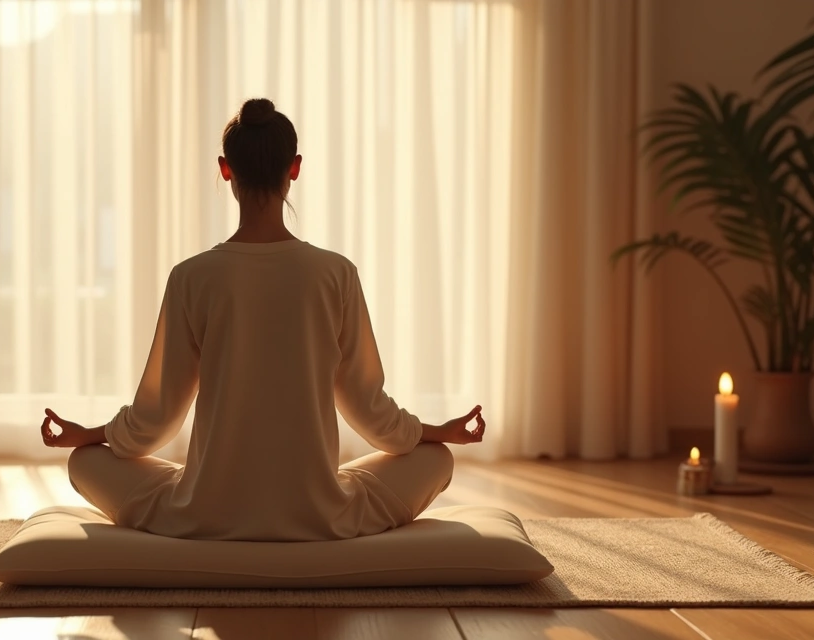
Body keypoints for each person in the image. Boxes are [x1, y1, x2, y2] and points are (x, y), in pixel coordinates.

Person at [40, 98, 486, 542]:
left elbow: (153, 421)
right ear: (294, 168)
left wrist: (89, 435)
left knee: (84, 462)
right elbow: (369, 411)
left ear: (225, 169)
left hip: (203, 514)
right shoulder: (336, 274)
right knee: (437, 458)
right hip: (321, 515)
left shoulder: (192, 277)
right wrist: (436, 431)